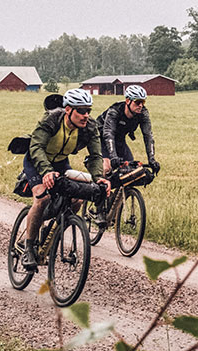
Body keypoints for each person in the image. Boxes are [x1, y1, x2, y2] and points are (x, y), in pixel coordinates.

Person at [20, 88, 110, 271]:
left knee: (77, 197)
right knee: (42, 198)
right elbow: (36, 146)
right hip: (37, 161)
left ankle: (50, 231)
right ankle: (28, 247)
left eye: (89, 110)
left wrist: (99, 177)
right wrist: (45, 172)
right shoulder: (52, 119)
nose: (86, 115)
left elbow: (95, 156)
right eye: (82, 110)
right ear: (68, 109)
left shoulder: (90, 127)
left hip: (61, 163)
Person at [96, 84, 160, 176]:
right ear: (127, 101)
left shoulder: (143, 113)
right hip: (101, 139)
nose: (140, 105)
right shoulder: (114, 111)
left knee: (131, 170)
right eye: (137, 102)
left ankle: (124, 190)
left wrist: (152, 159)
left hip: (119, 139)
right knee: (106, 168)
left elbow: (148, 136)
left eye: (143, 102)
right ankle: (98, 188)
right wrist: (113, 157)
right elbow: (108, 134)